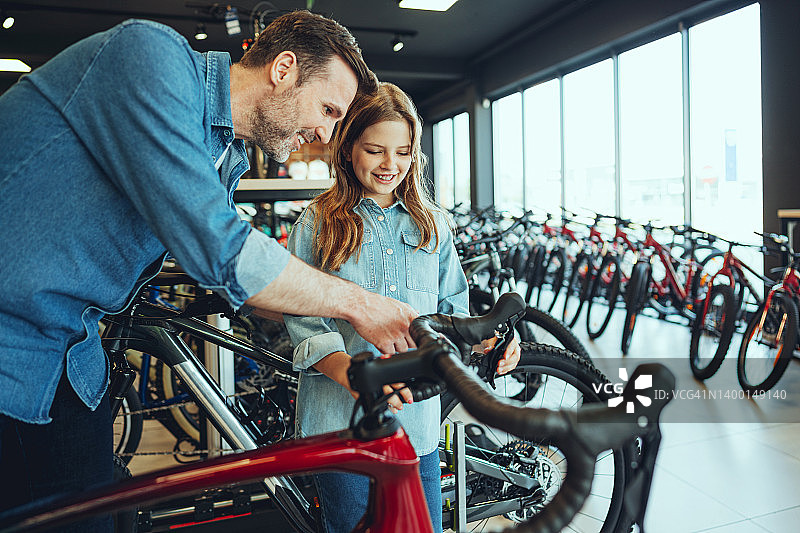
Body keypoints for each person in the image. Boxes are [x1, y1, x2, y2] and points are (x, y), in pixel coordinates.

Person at [0, 11, 418, 530]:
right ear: (283, 69)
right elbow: (221, 250)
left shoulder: (225, 153)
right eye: (328, 110)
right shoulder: (147, 57)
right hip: (16, 349)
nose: (327, 134)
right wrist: (360, 304)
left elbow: (234, 279)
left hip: (70, 357)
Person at [283, 83, 521, 533]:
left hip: (417, 428)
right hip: (340, 426)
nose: (389, 164)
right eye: (375, 150)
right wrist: (353, 376)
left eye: (403, 152)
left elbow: (454, 313)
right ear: (348, 148)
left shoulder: (432, 225)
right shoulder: (317, 223)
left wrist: (493, 340)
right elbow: (304, 322)